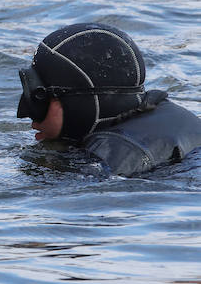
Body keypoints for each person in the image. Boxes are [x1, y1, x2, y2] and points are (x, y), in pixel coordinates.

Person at [17, 23, 201, 176]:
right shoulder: (165, 111)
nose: (24, 112)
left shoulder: (115, 158)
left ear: (78, 105)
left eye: (38, 98)